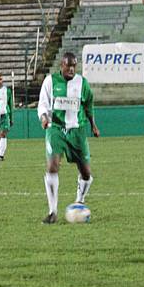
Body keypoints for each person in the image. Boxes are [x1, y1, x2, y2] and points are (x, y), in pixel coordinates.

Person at [37, 52, 100, 224]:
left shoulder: (82, 83)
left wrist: (93, 124)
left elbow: (88, 104)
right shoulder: (50, 81)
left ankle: (80, 200)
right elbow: (43, 102)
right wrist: (43, 117)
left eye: (74, 65)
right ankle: (52, 212)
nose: (71, 68)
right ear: (61, 65)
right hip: (56, 129)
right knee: (52, 166)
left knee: (86, 173)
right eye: (68, 65)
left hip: (77, 130)